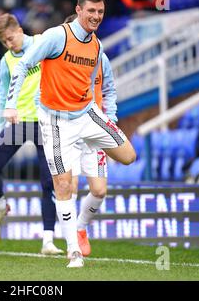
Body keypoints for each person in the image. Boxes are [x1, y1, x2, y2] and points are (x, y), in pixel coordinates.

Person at [3, 0, 136, 268]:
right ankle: (73, 250)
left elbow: (93, 84)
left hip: (88, 114)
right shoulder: (56, 36)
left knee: (128, 156)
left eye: (100, 12)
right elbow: (24, 64)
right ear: (78, 10)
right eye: (91, 11)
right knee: (63, 184)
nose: (96, 16)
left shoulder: (97, 46)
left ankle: (80, 225)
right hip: (56, 121)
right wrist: (11, 104)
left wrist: (105, 115)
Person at [0, 13, 63, 255]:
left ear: (19, 29)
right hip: (18, 122)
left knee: (48, 182)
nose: (9, 45)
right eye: (4, 43)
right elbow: (6, 90)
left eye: (10, 39)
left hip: (45, 121)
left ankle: (48, 240)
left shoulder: (42, 43)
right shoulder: (6, 60)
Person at [64, 13, 117, 258]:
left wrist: (111, 120)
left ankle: (80, 228)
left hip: (93, 129)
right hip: (68, 129)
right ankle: (71, 243)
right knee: (70, 186)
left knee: (99, 191)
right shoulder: (60, 61)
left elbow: (109, 89)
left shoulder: (99, 56)